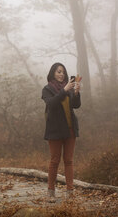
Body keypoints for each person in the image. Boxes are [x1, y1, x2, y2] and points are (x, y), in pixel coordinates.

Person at [41, 62, 81, 201]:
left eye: (63, 72)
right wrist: (64, 90)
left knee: (69, 160)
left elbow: (76, 105)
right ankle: (50, 192)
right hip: (55, 130)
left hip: (70, 129)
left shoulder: (68, 88)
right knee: (54, 161)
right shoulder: (47, 89)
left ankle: (70, 192)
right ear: (53, 73)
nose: (61, 74)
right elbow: (51, 103)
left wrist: (75, 92)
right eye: (58, 71)